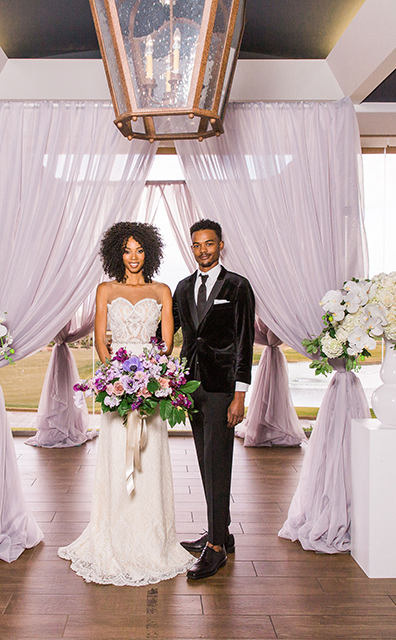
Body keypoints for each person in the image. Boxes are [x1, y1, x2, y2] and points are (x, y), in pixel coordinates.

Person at [58, 221, 195, 586]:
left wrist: (153, 379)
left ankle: (153, 539)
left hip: (152, 381)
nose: (133, 257)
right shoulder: (105, 289)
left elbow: (166, 344)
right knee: (118, 458)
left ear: (149, 252)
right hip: (117, 381)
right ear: (117, 253)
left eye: (139, 250)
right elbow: (101, 339)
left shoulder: (162, 290)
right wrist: (115, 378)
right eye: (127, 250)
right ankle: (113, 536)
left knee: (149, 460)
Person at [173, 219, 255, 580]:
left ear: (221, 245)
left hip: (223, 389)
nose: (203, 250)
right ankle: (221, 531)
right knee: (206, 462)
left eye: (209, 244)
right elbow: (169, 328)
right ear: (191, 247)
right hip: (191, 386)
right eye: (196, 245)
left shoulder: (237, 286)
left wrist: (239, 396)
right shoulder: (183, 286)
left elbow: (244, 343)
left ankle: (217, 549)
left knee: (219, 462)